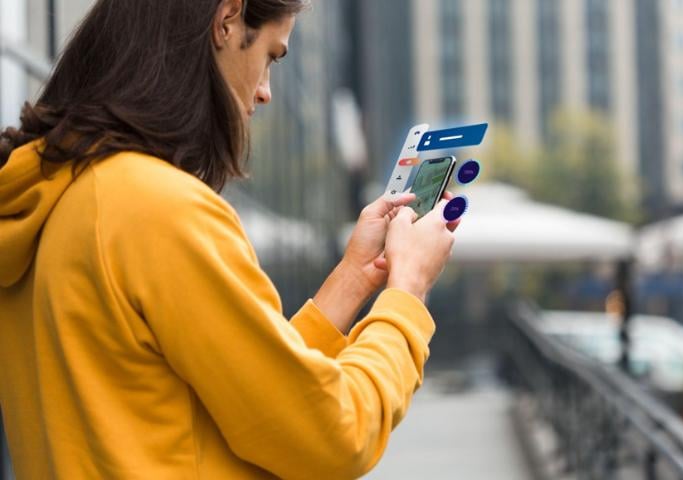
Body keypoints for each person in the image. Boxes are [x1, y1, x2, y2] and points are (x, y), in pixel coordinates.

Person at [0, 0, 459, 478]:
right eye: (270, 57)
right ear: (227, 20)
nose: (265, 93)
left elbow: (249, 404)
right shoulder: (158, 210)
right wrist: (407, 292)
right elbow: (334, 434)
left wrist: (352, 279)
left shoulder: (53, 200)